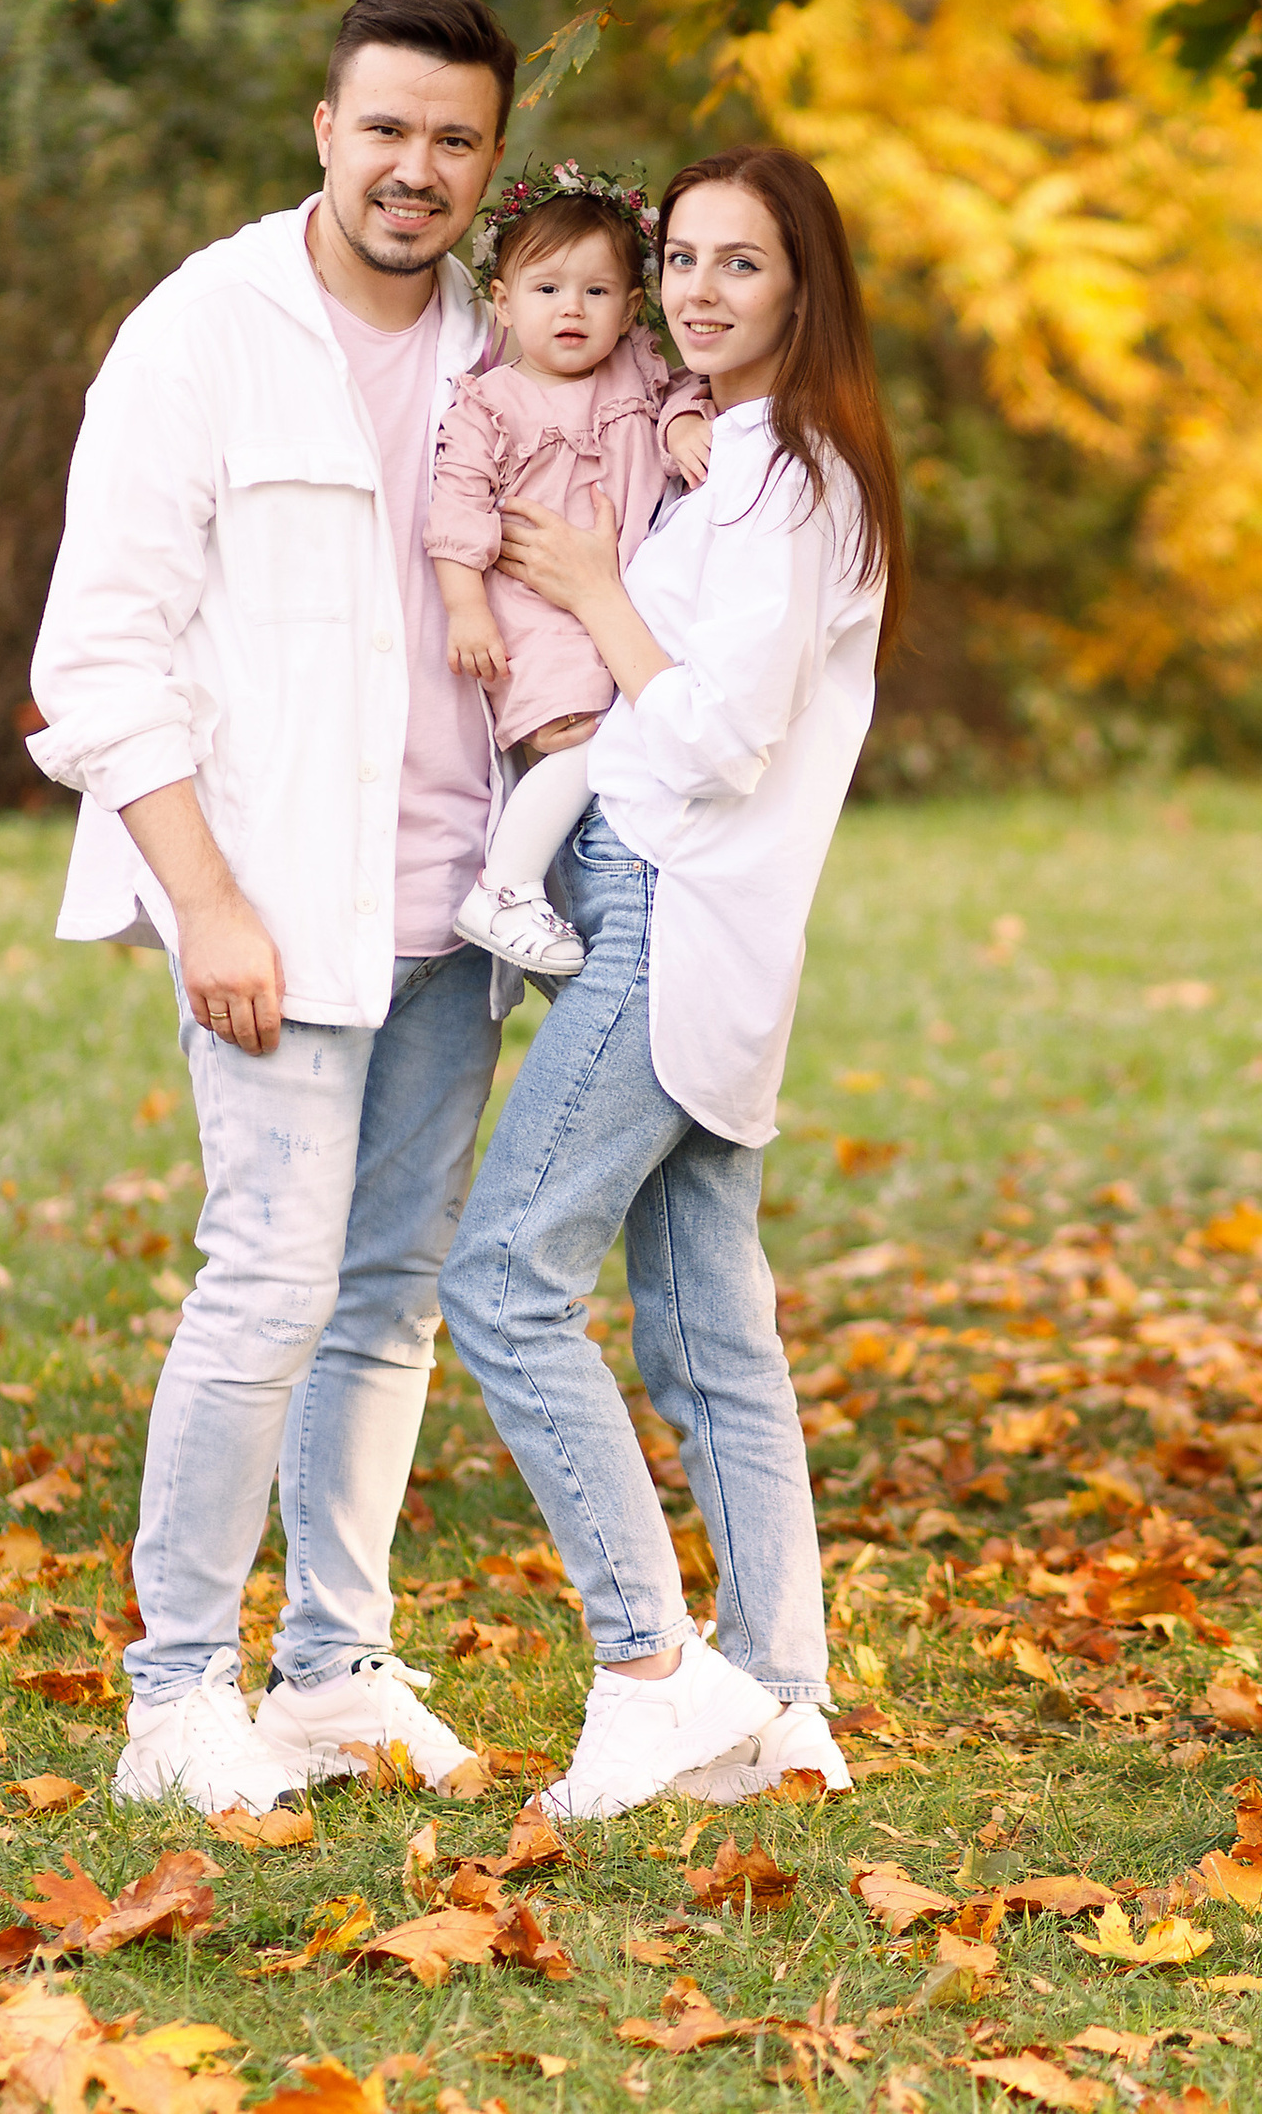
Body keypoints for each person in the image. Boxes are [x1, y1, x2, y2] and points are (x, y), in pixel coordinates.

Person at [27, 0, 525, 1812]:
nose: (416, 166)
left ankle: (333, 1667)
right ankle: (178, 1699)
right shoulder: (206, 331)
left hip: (451, 915)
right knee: (267, 1287)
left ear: (486, 161)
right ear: (325, 128)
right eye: (385, 127)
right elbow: (99, 657)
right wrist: (205, 900)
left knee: (390, 1296)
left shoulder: (505, 342)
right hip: (271, 908)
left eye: (454, 138)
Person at [438, 145, 907, 1816]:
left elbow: (712, 734)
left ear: (806, 290)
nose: (702, 292)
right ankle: (780, 1701)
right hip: (699, 918)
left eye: (743, 267)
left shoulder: (797, 486)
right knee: (714, 1334)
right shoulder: (743, 460)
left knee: (500, 1277)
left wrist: (588, 592)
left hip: (669, 910)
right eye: (686, 260)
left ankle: (651, 1671)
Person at [431, 165, 712, 978]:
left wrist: (688, 423)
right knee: (584, 741)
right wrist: (465, 611)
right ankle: (506, 884)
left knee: (625, 737)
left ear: (629, 310)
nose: (571, 309)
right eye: (548, 288)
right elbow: (456, 514)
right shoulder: (490, 404)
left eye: (596, 293)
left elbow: (684, 391)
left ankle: (544, 885)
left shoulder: (635, 372)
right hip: (533, 614)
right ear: (502, 303)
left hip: (616, 606)